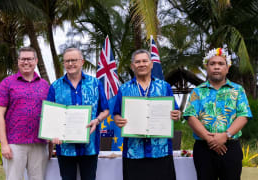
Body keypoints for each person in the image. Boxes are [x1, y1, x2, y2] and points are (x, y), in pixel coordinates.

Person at [183, 47, 253, 180]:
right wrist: (210, 139)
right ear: (207, 68)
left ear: (227, 68)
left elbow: (243, 115)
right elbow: (191, 117)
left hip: (230, 148)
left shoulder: (237, 90)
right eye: (212, 64)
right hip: (204, 149)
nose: (216, 67)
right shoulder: (197, 91)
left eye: (221, 64)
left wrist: (225, 136)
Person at [113, 49, 181, 180]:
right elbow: (116, 113)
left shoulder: (164, 86)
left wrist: (176, 115)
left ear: (151, 64)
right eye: (137, 62)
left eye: (145, 61)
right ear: (133, 66)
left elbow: (176, 112)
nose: (141, 64)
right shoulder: (124, 89)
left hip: (160, 151)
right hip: (134, 152)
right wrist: (118, 120)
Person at [47, 48, 109, 180]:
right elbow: (49, 115)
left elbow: (105, 110)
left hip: (90, 146)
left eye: (74, 60)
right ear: (63, 63)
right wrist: (53, 134)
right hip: (64, 147)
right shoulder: (55, 86)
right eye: (67, 61)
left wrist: (97, 120)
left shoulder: (95, 84)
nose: (70, 64)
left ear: (82, 62)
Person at [0, 47, 50, 180]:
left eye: (30, 59)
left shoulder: (45, 85)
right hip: (14, 144)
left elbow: (50, 114)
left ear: (36, 61)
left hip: (39, 143)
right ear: (18, 61)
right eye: (23, 59)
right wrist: (4, 144)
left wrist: (50, 144)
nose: (26, 62)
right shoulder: (7, 83)